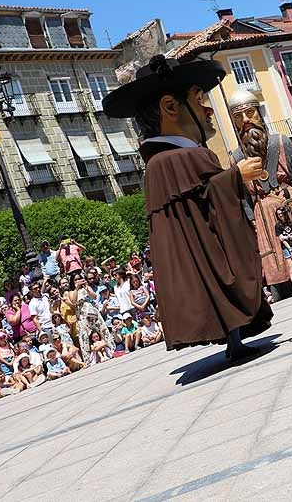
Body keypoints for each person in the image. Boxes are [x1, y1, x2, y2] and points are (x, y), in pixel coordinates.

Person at [102, 54, 272, 361]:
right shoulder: (179, 158)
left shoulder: (163, 160)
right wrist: (236, 175)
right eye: (198, 100)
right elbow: (207, 200)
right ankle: (233, 336)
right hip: (202, 247)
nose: (208, 110)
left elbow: (201, 198)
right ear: (170, 107)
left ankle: (233, 336)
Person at [226, 88, 292, 296]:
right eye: (238, 117)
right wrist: (249, 218)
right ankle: (281, 286)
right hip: (261, 212)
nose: (246, 120)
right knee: (271, 251)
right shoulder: (236, 157)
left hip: (288, 201)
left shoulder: (280, 141)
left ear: (258, 113)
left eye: (250, 113)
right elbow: (240, 194)